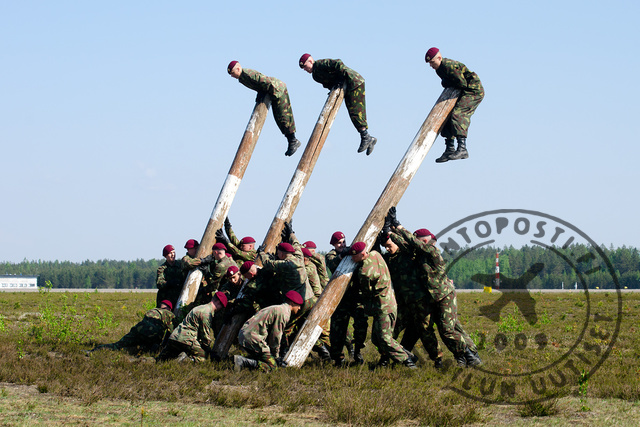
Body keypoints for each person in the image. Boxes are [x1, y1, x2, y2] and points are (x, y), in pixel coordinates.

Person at [386, 207, 482, 367]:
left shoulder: (431, 251)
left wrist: (399, 225)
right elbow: (405, 244)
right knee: (442, 329)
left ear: (424, 240)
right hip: (432, 299)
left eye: (419, 240)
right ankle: (462, 357)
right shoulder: (419, 254)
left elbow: (411, 242)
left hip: (444, 296)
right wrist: (390, 231)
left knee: (448, 330)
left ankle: (469, 355)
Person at [378, 231, 443, 368]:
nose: (388, 249)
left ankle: (438, 359)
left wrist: (394, 230)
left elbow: (414, 245)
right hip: (402, 304)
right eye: (386, 247)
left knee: (425, 330)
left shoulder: (409, 254)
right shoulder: (388, 259)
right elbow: (376, 256)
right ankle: (385, 358)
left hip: (419, 301)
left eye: (389, 246)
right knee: (390, 332)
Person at [349, 242, 416, 369]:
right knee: (376, 338)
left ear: (362, 254)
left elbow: (366, 292)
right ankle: (409, 356)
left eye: (354, 256)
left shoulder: (364, 272)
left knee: (384, 338)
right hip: (389, 304)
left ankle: (407, 362)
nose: (352, 259)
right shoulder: (376, 254)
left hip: (383, 307)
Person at [299, 54, 377, 155]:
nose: (305, 69)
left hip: (353, 81)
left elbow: (337, 63)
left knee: (356, 111)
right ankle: (366, 137)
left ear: (310, 61)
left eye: (305, 66)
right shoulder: (315, 75)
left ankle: (366, 137)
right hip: (346, 87)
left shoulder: (320, 64)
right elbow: (328, 83)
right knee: (352, 112)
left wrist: (342, 77)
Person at [228, 61, 301, 156]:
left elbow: (264, 80)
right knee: (278, 118)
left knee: (283, 115)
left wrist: (267, 92)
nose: (232, 76)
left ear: (238, 69)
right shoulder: (242, 78)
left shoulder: (248, 74)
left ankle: (293, 141)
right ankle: (291, 141)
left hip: (277, 89)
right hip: (272, 92)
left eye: (232, 73)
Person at [424, 47, 484, 163]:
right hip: (461, 91)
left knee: (458, 114)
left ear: (439, 58)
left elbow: (461, 83)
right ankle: (449, 149)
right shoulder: (439, 69)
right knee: (446, 117)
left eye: (432, 62)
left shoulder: (449, 66)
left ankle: (462, 148)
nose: (431, 65)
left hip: (472, 91)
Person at [235, 290, 304, 371]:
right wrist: (276, 357)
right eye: (298, 305)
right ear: (292, 303)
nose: (299, 308)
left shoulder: (277, 308)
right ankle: (243, 362)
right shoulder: (284, 313)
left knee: (263, 358)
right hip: (253, 338)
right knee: (273, 366)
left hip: (245, 335)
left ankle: (243, 362)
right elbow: (276, 336)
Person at [325, 231, 368, 365]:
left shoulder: (352, 252)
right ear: (333, 244)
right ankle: (338, 358)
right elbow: (332, 264)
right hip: (340, 299)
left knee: (361, 325)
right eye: (339, 243)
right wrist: (343, 254)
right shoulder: (331, 255)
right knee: (337, 330)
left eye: (343, 242)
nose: (342, 244)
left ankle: (357, 352)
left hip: (356, 297)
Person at [156, 291, 228, 362]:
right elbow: (205, 336)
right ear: (218, 303)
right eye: (221, 307)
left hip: (174, 337)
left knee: (160, 360)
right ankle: (184, 360)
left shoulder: (200, 307)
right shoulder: (207, 313)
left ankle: (146, 360)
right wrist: (209, 351)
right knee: (203, 358)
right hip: (186, 340)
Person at [90, 300, 176, 355]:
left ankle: (94, 351)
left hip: (138, 330)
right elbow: (172, 331)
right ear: (169, 309)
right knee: (151, 349)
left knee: (118, 345)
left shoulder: (153, 310)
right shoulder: (169, 314)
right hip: (152, 335)